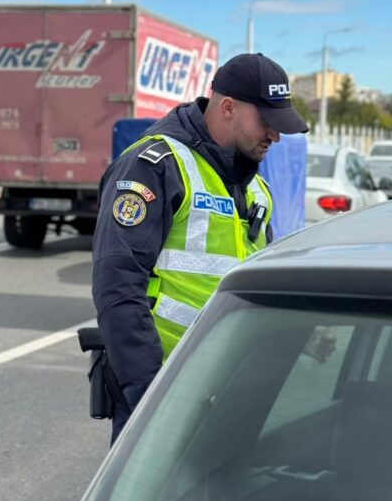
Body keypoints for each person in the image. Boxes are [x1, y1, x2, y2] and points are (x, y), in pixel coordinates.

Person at [92, 52, 309, 441]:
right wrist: (148, 392)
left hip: (227, 389)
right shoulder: (156, 165)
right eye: (267, 122)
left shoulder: (257, 189)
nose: (275, 136)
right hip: (164, 388)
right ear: (228, 108)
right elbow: (118, 286)